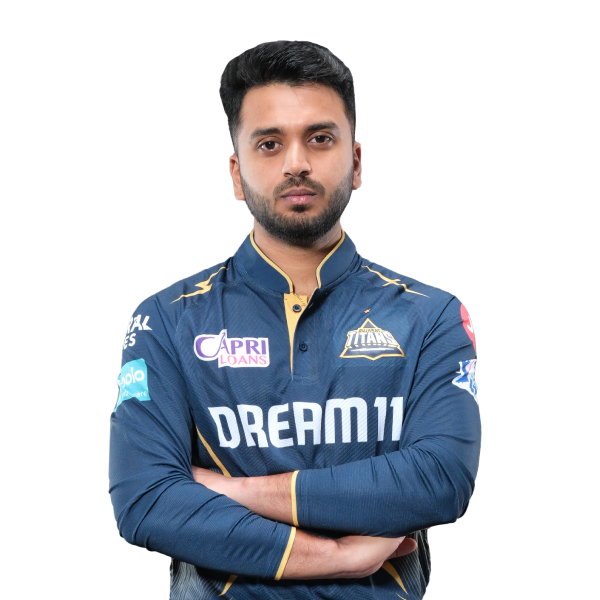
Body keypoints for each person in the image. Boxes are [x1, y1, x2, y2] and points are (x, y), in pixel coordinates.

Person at [108, 40, 481, 600]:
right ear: (236, 174)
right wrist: (333, 558)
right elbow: (145, 500)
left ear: (357, 163)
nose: (296, 162)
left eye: (320, 138)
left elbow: (439, 481)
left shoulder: (431, 315)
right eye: (269, 143)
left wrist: (233, 491)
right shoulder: (165, 319)